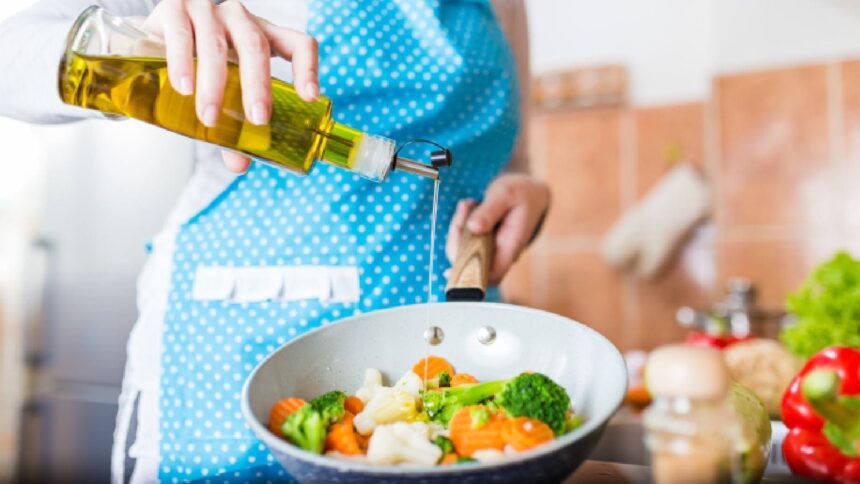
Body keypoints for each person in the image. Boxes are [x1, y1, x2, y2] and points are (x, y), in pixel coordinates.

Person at [0, 0, 550, 481]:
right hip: (247, 354)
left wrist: (525, 190)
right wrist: (155, 36)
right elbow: (10, 55)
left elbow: (515, 158)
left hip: (456, 360)